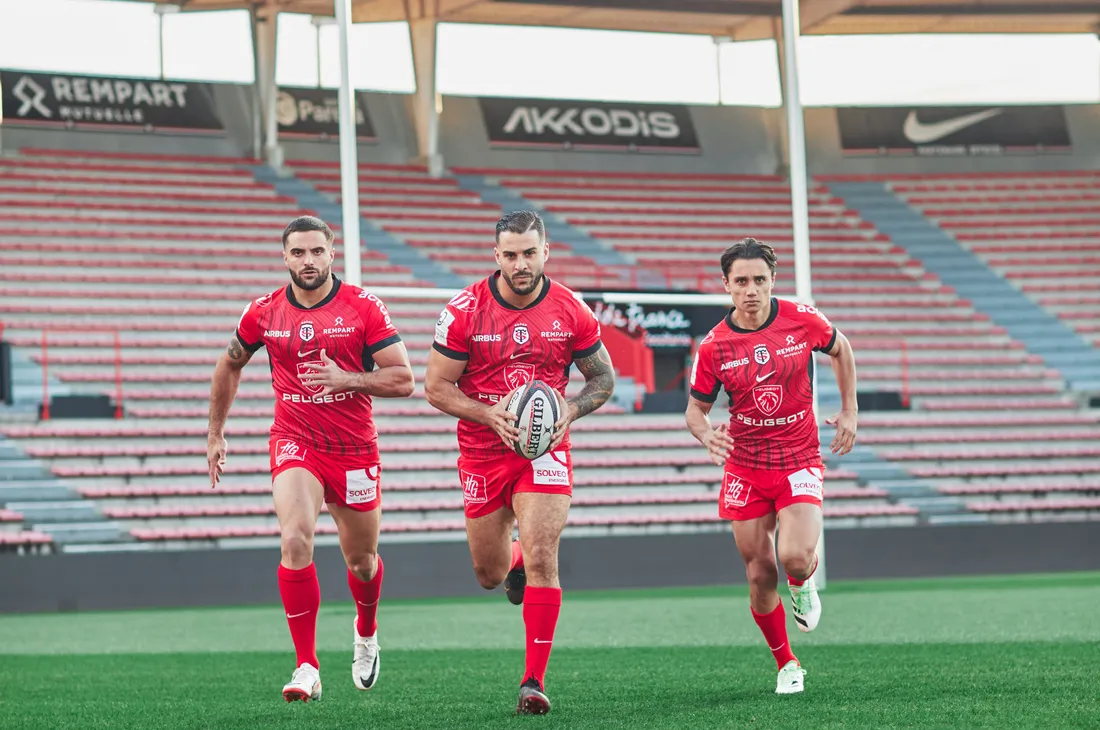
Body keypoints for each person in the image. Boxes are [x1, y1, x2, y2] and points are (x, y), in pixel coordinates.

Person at [206, 215, 415, 703]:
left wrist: (349, 379)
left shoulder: (363, 308)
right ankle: (307, 665)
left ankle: (365, 633)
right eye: (297, 253)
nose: (307, 260)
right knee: (295, 537)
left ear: (331, 253)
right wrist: (216, 431)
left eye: (316, 251)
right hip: (295, 440)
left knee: (361, 562)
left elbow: (403, 379)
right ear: (284, 257)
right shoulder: (263, 312)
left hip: (354, 448)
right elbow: (229, 363)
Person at [424, 210, 616, 715]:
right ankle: (511, 563)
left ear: (545, 252)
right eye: (510, 254)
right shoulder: (465, 310)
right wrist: (489, 415)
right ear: (496, 256)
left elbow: (603, 380)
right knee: (488, 573)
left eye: (529, 252)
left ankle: (533, 680)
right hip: (483, 448)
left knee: (543, 556)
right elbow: (436, 387)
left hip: (545, 449)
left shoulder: (572, 310)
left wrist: (569, 411)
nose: (520, 263)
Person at [685, 237, 858, 695]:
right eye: (740, 281)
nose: (751, 290)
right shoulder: (714, 346)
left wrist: (850, 410)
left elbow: (842, 349)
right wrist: (705, 434)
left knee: (794, 558)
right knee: (760, 572)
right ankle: (787, 663)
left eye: (759, 280)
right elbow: (694, 411)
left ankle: (803, 581)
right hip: (744, 467)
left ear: (772, 281)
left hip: (798, 456)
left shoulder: (802, 319)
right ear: (726, 284)